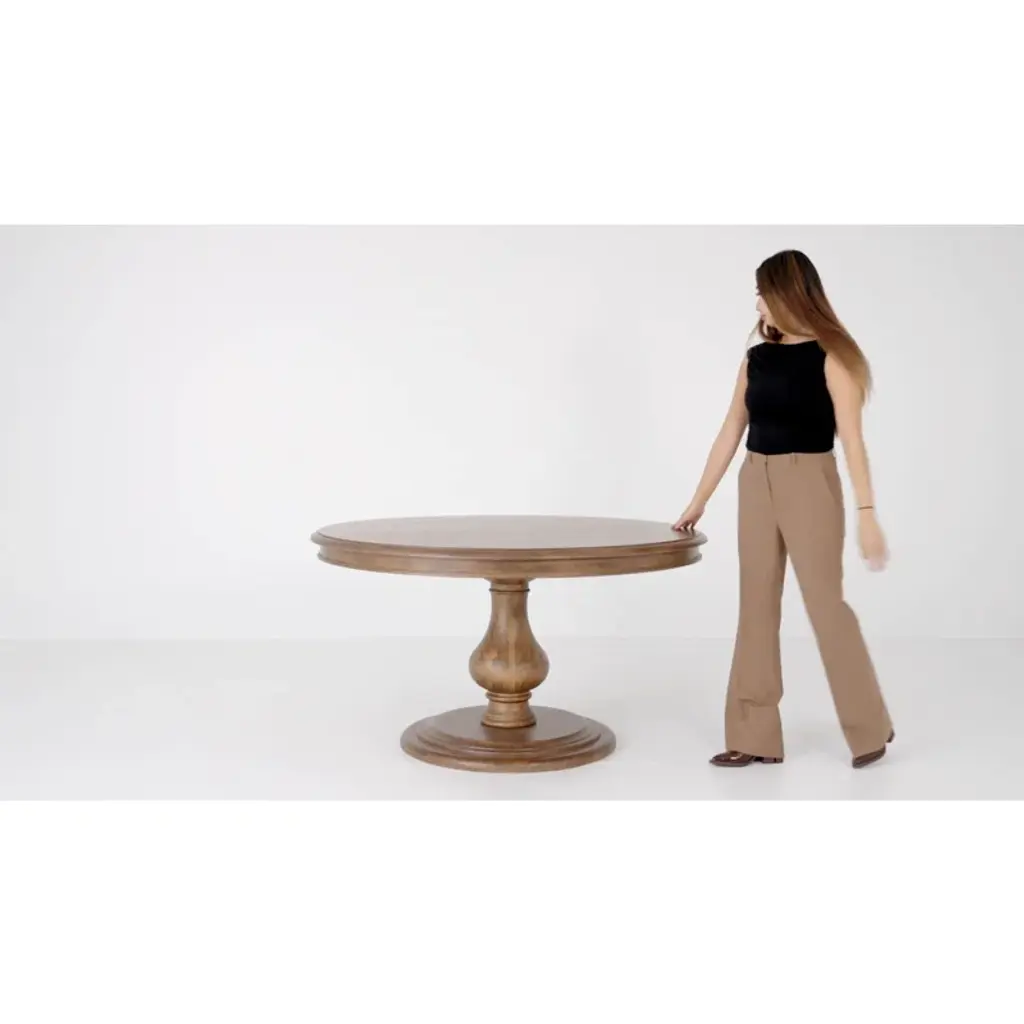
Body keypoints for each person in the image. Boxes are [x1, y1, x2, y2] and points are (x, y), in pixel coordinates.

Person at [672, 250, 894, 769]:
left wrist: (867, 513)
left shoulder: (833, 357)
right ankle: (753, 737)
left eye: (763, 293)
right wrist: (698, 501)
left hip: (810, 480)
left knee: (826, 606)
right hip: (756, 480)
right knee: (755, 606)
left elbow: (853, 441)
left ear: (788, 295)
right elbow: (731, 430)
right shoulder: (757, 360)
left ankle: (869, 727)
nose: (757, 304)